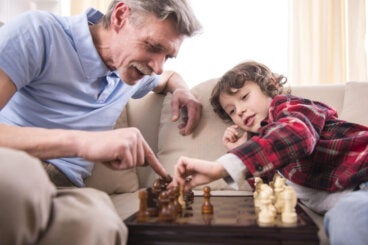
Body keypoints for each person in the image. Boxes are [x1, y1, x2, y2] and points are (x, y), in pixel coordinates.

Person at [0, 0, 202, 244]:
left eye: (167, 56)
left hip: (64, 188)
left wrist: (182, 90)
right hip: (13, 165)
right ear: (120, 16)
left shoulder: (132, 69)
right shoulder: (37, 31)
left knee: (99, 220)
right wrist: (81, 142)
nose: (157, 67)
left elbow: (167, 78)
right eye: (152, 46)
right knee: (18, 181)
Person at [172, 61, 368, 245]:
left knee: (348, 218)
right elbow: (268, 192)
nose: (239, 110)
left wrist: (225, 165)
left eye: (244, 97)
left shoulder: (291, 107)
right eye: (231, 111)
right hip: (346, 199)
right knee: (342, 219)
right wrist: (240, 151)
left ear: (270, 84)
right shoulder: (267, 151)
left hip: (362, 177)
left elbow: (296, 135)